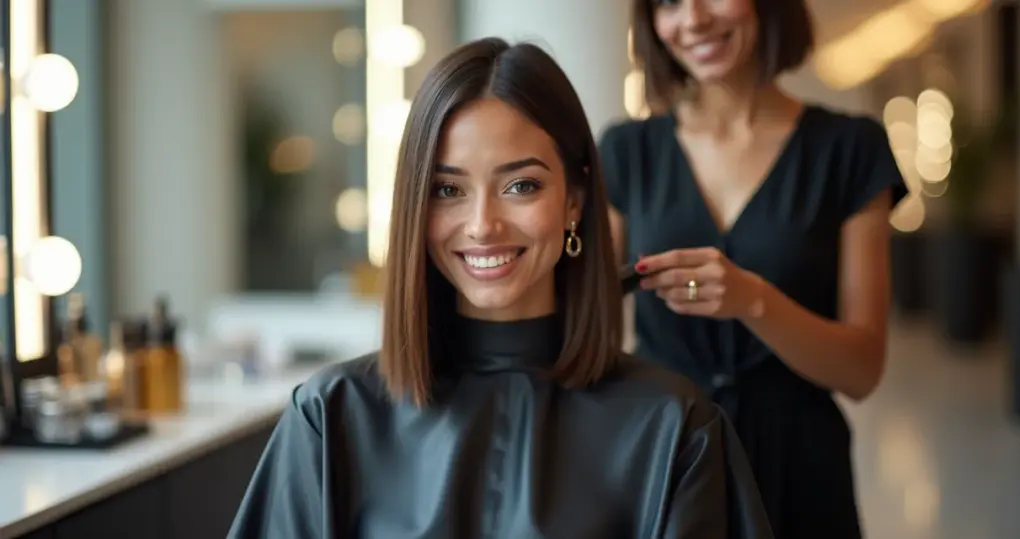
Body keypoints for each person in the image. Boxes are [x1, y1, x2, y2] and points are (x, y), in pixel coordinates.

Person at [228, 37, 774, 539]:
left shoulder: (675, 428)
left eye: (521, 185)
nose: (482, 224)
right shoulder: (331, 417)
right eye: (448, 189)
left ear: (575, 202)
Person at [600, 1, 910, 538]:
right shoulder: (627, 151)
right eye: (668, 2)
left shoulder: (849, 149)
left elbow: (861, 371)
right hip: (663, 452)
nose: (692, 19)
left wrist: (753, 299)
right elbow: (593, 337)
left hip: (800, 468)